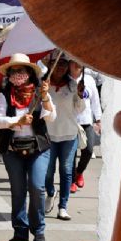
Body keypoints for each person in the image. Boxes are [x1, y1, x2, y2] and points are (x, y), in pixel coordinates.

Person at [0, 53, 56, 241]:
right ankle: (20, 232)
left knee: (37, 187)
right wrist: (17, 121)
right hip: (13, 150)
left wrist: (45, 96)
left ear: (30, 73)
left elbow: (51, 116)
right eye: (13, 71)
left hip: (38, 148)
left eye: (21, 70)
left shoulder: (40, 92)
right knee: (18, 191)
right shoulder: (5, 94)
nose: (17, 74)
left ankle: (39, 231)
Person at [43, 55, 81, 220]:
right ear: (50, 64)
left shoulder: (73, 85)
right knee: (48, 171)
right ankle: (51, 192)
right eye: (56, 63)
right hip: (48, 135)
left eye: (64, 64)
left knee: (66, 170)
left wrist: (80, 94)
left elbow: (79, 109)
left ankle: (63, 207)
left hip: (69, 134)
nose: (60, 67)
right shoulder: (43, 84)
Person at [68, 59, 102, 193]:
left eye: (80, 62)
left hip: (86, 121)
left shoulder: (89, 80)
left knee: (88, 150)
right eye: (73, 62)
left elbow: (95, 101)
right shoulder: (65, 80)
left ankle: (79, 171)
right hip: (70, 121)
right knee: (70, 154)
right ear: (69, 64)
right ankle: (71, 181)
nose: (77, 65)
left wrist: (98, 119)